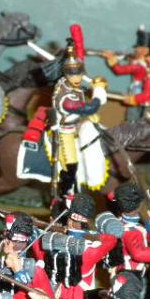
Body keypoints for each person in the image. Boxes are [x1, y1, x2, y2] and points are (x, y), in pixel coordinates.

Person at [42, 193, 118, 299]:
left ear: (69, 220)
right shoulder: (91, 248)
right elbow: (111, 241)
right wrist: (99, 236)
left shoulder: (57, 241)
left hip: (62, 293)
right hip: (79, 296)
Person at [51, 43, 108, 198]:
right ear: (66, 75)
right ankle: (66, 193)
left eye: (79, 74)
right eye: (72, 75)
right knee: (71, 165)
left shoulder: (68, 84)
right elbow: (89, 107)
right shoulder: (66, 97)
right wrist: (99, 91)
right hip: (65, 131)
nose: (77, 78)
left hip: (76, 124)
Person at [102, 26, 150, 121]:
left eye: (138, 48)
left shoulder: (140, 66)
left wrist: (110, 59)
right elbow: (129, 58)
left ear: (144, 51)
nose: (135, 50)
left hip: (137, 94)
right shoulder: (143, 62)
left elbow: (119, 70)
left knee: (132, 118)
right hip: (141, 94)